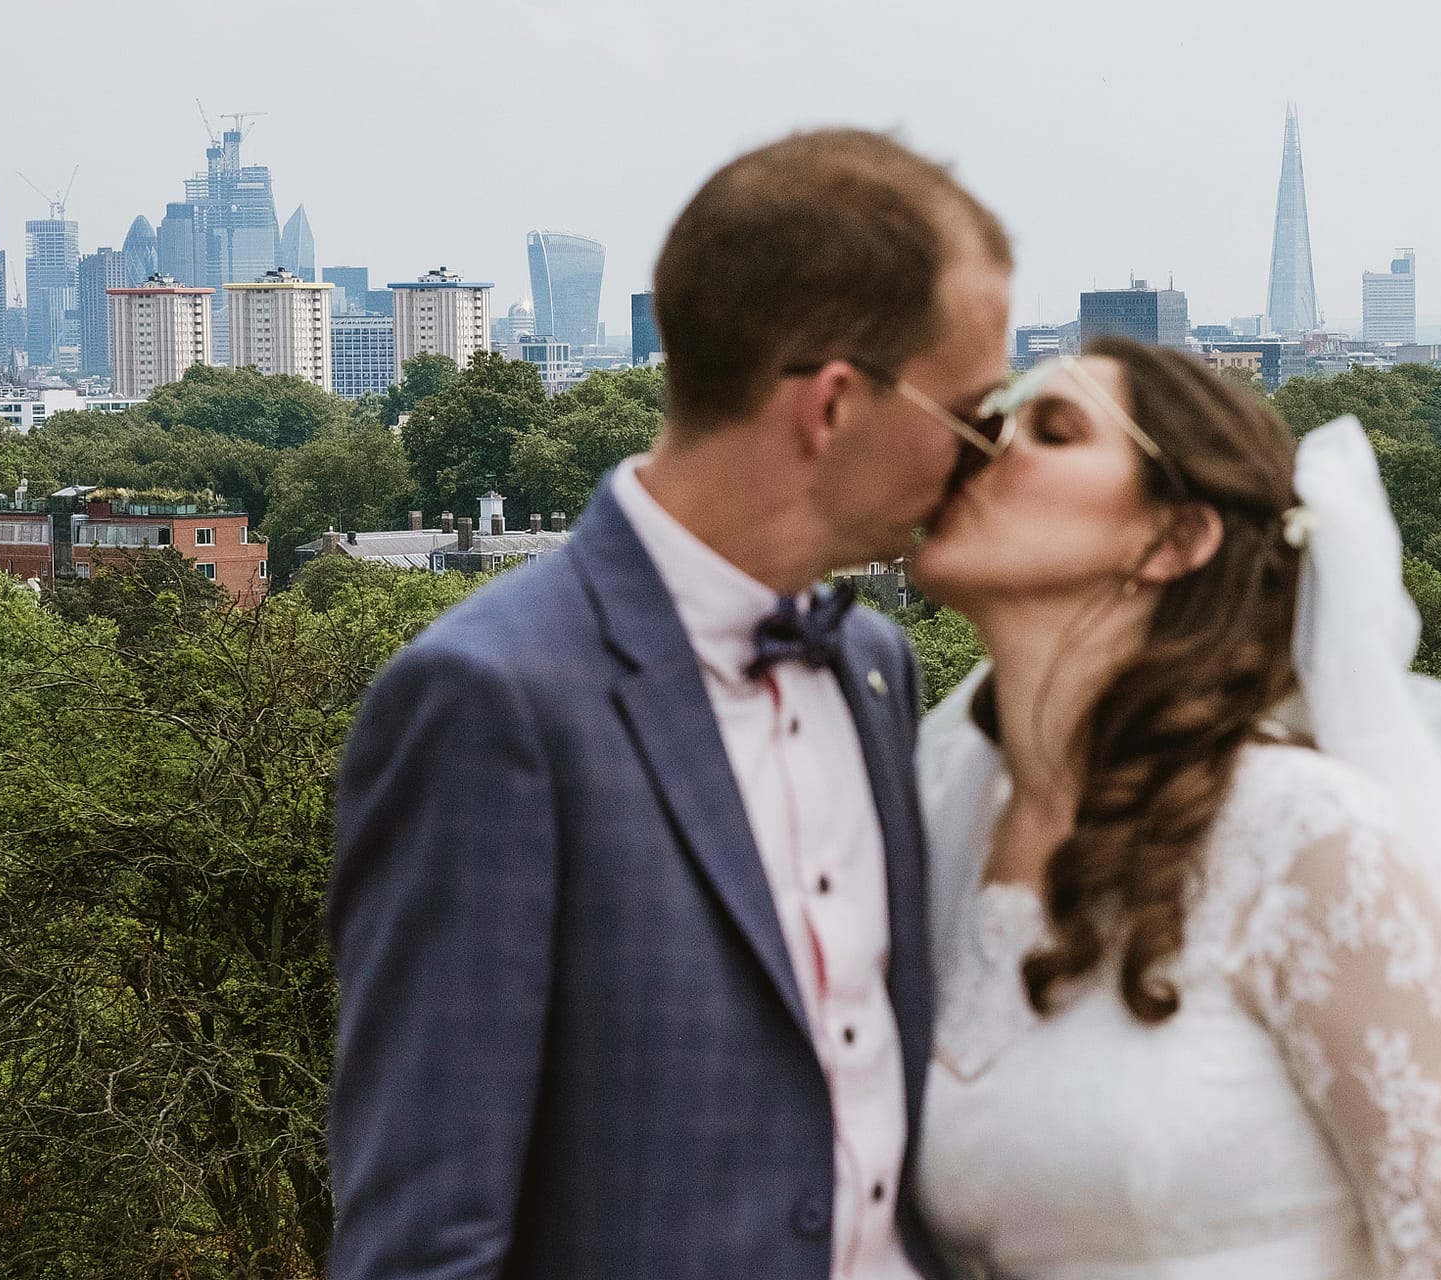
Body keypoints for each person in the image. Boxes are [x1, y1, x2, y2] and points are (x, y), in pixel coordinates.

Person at [328, 129, 1011, 1280]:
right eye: (974, 414)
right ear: (833, 406)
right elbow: (423, 1241)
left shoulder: (876, 664)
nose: (985, 460)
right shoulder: (490, 701)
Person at [911, 338, 1441, 1279]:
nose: (984, 447)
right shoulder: (947, 816)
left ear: (1174, 539)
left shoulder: (1305, 838)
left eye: (1052, 430)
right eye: (990, 420)